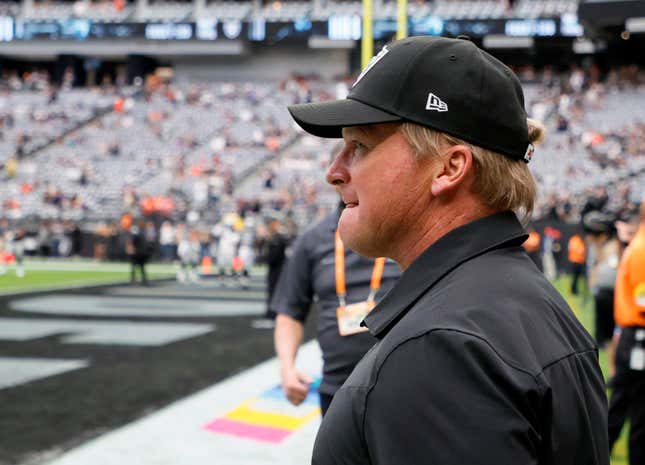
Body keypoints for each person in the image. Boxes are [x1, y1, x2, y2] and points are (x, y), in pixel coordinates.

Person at [287, 36, 608, 465]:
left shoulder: (439, 347)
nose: (334, 171)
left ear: (449, 168)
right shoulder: (516, 298)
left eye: (359, 146)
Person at [272, 201, 400, 416]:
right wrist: (287, 367)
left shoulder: (402, 229)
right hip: (337, 390)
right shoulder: (313, 240)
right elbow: (290, 312)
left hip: (404, 387)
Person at [608, 197, 645, 465]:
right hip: (639, 340)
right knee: (638, 412)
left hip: (634, 339)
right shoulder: (643, 249)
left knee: (622, 404)